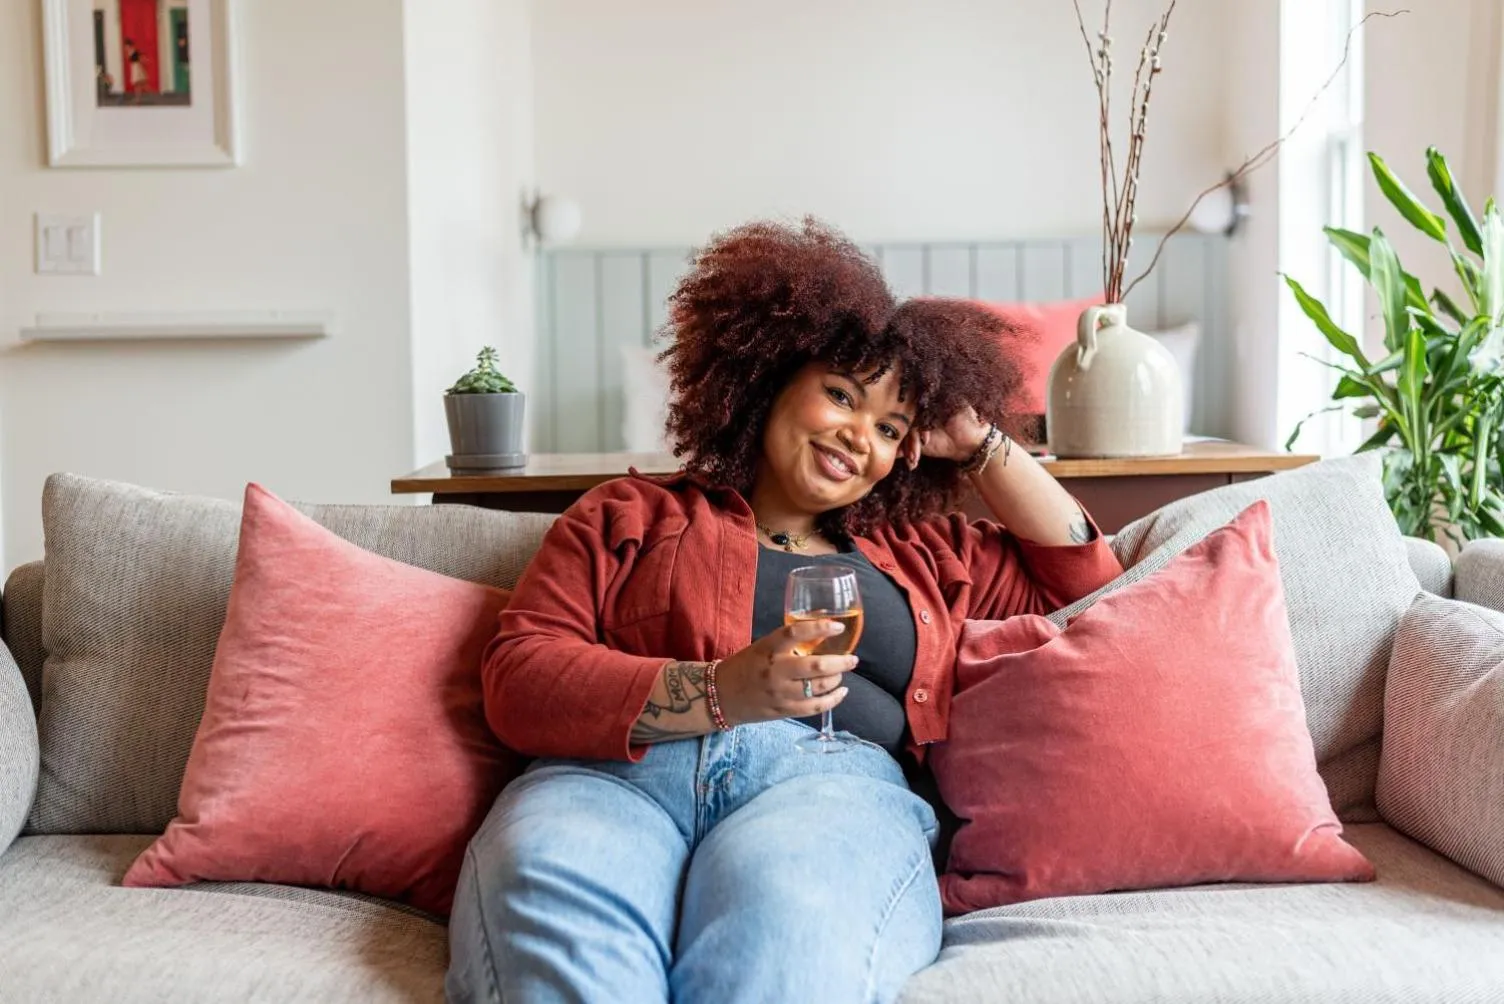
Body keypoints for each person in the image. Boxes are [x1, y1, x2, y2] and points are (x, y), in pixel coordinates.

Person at [446, 218, 1124, 1004]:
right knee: (553, 921)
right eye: (841, 395)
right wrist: (716, 691)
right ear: (770, 378)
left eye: (888, 428)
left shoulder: (926, 553)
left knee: (790, 942)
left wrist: (975, 439)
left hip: (831, 790)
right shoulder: (626, 513)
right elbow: (520, 677)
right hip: (610, 781)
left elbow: (1084, 576)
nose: (857, 437)